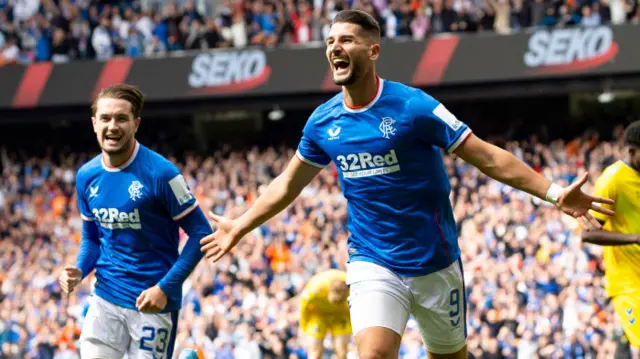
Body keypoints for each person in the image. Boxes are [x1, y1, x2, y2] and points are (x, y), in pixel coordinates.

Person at [200, 9, 614, 359]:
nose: (334, 48)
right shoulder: (323, 122)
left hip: (436, 262)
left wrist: (554, 192)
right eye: (329, 41)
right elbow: (288, 183)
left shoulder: (414, 107)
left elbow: (487, 155)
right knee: (375, 353)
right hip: (373, 260)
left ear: (373, 50)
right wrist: (240, 224)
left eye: (346, 39)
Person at [58, 84, 212, 359]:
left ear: (136, 123)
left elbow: (200, 232)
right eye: (105, 118)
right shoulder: (86, 176)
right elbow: (92, 238)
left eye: (121, 118)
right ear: (94, 124)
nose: (112, 126)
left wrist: (165, 287)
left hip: (153, 304)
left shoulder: (162, 173)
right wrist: (80, 269)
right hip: (105, 298)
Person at [582, 120, 640, 359]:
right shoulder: (613, 179)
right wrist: (634, 238)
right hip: (627, 283)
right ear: (632, 151)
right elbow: (588, 233)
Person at [298, 269, 351, 359]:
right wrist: (303, 327)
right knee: (315, 353)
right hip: (318, 315)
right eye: (334, 301)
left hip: (340, 315)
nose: (335, 304)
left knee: (342, 352)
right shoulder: (315, 287)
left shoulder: (351, 282)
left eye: (339, 301)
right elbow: (304, 305)